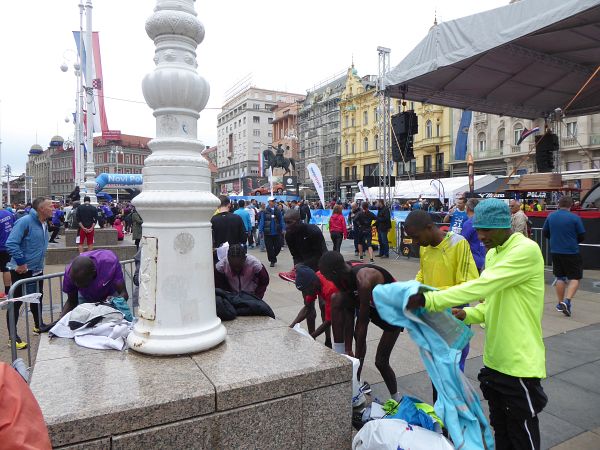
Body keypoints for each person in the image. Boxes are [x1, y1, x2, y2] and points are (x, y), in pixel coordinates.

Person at [407, 198, 547, 450]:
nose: (480, 236)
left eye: (486, 230)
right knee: (501, 432)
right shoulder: (493, 254)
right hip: (495, 360)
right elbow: (490, 303)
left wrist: (430, 299)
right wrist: (468, 315)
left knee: (521, 434)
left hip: (519, 362)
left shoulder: (525, 250)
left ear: (504, 225)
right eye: (477, 228)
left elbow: (481, 286)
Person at [404, 210, 479, 401]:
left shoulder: (458, 243)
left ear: (429, 228)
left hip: (454, 316)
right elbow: (423, 272)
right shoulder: (425, 246)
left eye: (415, 236)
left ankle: (456, 419)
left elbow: (467, 284)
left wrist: (429, 295)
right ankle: (442, 417)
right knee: (436, 371)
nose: (414, 242)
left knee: (452, 372)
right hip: (431, 316)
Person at [319, 251, 401, 400]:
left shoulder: (363, 279)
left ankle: (397, 399)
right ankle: (351, 373)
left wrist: (356, 358)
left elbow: (362, 323)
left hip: (393, 312)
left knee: (381, 361)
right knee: (337, 299)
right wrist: (348, 349)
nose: (324, 277)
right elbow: (350, 312)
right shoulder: (342, 276)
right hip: (373, 304)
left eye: (325, 274)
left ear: (333, 272)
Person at [5, 197, 53, 348]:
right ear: (41, 209)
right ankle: (13, 337)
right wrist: (20, 262)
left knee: (37, 297)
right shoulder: (25, 221)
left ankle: (38, 325)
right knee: (17, 303)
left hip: (37, 268)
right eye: (50, 206)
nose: (54, 208)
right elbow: (11, 243)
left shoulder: (44, 222)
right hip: (22, 270)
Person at [543, 196, 585, 317]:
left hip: (556, 251)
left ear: (558, 204)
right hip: (571, 251)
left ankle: (560, 302)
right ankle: (567, 300)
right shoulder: (575, 217)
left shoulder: (551, 216)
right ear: (570, 205)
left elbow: (545, 233)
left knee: (560, 277)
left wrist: (555, 239)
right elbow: (582, 235)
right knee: (575, 277)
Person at [61, 249, 129, 316]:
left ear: (93, 273)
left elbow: (124, 294)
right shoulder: (70, 274)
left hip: (111, 297)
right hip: (85, 298)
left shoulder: (110, 262)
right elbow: (71, 301)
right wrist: (59, 320)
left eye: (81, 283)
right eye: (75, 283)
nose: (77, 285)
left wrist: (111, 304)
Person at [290, 264, 339, 346]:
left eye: (306, 291)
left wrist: (310, 337)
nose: (306, 294)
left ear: (313, 284)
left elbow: (329, 320)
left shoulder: (329, 289)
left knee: (342, 328)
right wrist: (291, 326)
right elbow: (307, 308)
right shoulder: (312, 281)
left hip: (354, 294)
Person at [278, 208, 328, 283]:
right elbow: (295, 255)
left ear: (298, 220)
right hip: (304, 266)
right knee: (306, 291)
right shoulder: (288, 235)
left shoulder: (313, 230)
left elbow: (321, 254)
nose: (286, 226)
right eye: (285, 222)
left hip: (321, 264)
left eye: (289, 222)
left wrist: (301, 265)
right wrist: (297, 269)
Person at [258, 197, 285, 267]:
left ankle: (273, 257)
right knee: (269, 248)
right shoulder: (264, 211)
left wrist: (283, 229)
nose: (273, 202)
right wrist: (260, 231)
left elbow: (281, 220)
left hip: (277, 232)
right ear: (269, 202)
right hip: (267, 233)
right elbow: (262, 221)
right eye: (272, 201)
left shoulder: (278, 210)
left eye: (274, 201)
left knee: (278, 247)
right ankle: (272, 261)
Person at [461, 198, 486, 272]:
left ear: (467, 208)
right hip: (485, 259)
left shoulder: (469, 223)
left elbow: (462, 242)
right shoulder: (484, 220)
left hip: (473, 261)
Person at [0, 207, 15, 298]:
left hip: (1, 246)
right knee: (7, 268)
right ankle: (8, 291)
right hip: (10, 244)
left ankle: (7, 293)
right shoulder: (9, 214)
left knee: (5, 269)